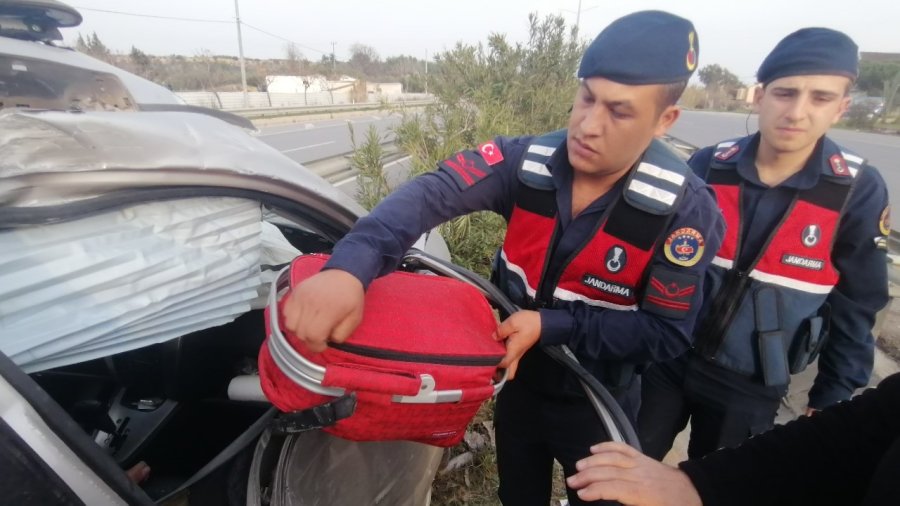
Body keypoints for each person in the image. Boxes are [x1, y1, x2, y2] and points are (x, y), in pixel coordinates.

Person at [282, 10, 725, 506]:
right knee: (517, 494)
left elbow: (666, 333)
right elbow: (432, 194)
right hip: (519, 388)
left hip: (598, 402)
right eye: (586, 98)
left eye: (619, 112)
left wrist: (551, 325)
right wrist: (348, 267)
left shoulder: (683, 211)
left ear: (665, 120)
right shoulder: (526, 162)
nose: (588, 125)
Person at [638, 27, 891, 461]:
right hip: (668, 360)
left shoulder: (855, 190)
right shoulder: (710, 165)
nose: (797, 111)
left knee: (721, 487)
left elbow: (858, 304)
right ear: (760, 96)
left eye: (820, 98)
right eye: (785, 93)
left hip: (751, 384)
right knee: (618, 471)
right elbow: (654, 256)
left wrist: (832, 396)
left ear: (841, 108)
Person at [568, 372, 900, 506]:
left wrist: (831, 389)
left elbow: (857, 298)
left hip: (749, 381)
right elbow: (863, 426)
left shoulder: (843, 218)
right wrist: (700, 482)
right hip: (678, 368)